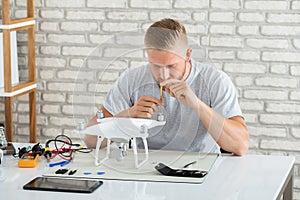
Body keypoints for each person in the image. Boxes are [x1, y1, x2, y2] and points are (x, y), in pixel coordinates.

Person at [84, 18, 249, 156]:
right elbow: (90, 140)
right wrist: (128, 115)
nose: (163, 75)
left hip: (199, 167)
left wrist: (198, 105)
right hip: (144, 169)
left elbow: (240, 146)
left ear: (188, 54)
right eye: (155, 65)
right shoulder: (131, 79)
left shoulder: (215, 81)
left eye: (171, 66)